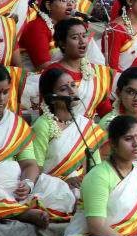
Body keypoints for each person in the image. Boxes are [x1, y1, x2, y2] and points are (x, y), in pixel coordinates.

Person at [0, 64, 73, 227]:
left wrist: (27, 183)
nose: (1, 99)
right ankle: (21, 213)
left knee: (56, 188)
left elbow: (29, 164)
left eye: (5, 92)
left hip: (13, 186)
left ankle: (8, 207)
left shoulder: (15, 123)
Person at [31, 68, 107, 202]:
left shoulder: (86, 126)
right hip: (53, 189)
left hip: (82, 186)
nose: (72, 91)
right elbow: (36, 171)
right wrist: (64, 183)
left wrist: (84, 181)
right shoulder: (42, 125)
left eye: (73, 85)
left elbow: (96, 167)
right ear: (51, 98)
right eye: (63, 89)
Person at [19, 0, 97, 71]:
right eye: (64, 0)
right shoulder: (36, 27)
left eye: (72, 0)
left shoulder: (72, 26)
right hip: (40, 79)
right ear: (49, 6)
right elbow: (43, 66)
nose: (70, 4)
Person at [49, 18, 114, 118]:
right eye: (75, 37)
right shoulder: (52, 73)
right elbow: (46, 111)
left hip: (89, 131)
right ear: (62, 43)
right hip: (60, 130)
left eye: (84, 36)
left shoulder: (98, 72)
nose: (82, 41)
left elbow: (105, 110)